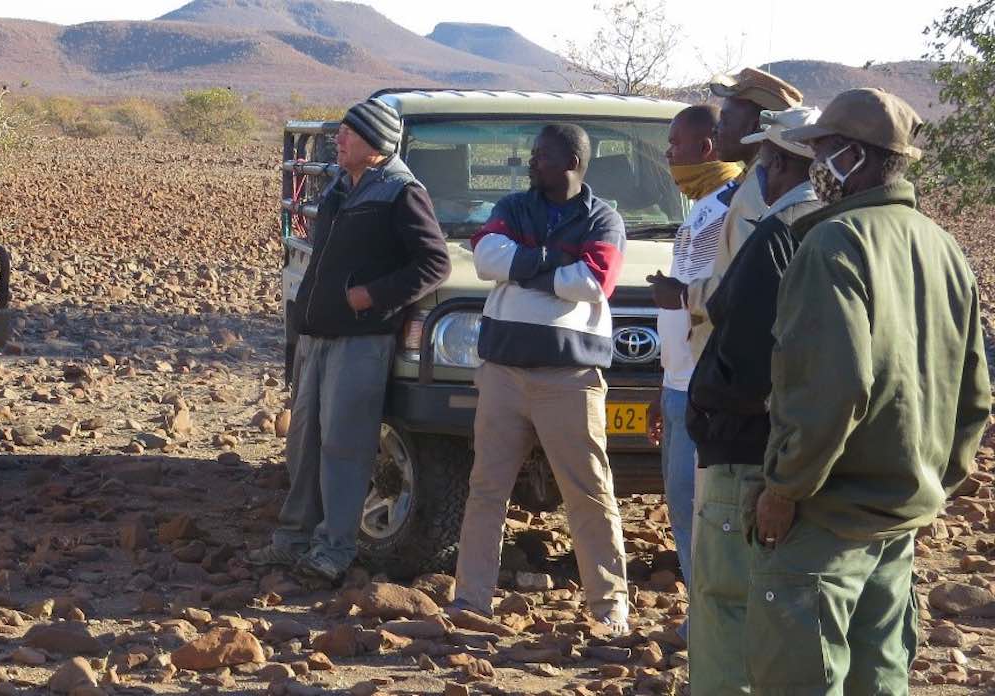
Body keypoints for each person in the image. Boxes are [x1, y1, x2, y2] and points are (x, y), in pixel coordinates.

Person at [748, 88, 990, 695]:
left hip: (826, 515)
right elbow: (975, 395)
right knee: (880, 680)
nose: (813, 165)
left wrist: (784, 488)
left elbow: (833, 388)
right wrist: (935, 483)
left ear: (852, 157)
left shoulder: (833, 243)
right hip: (899, 515)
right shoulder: (944, 248)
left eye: (822, 150)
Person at [245, 98, 450, 585]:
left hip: (360, 341)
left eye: (348, 135)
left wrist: (373, 296)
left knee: (344, 445)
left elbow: (433, 263)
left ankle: (334, 549)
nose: (338, 140)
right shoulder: (342, 185)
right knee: (303, 441)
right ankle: (293, 539)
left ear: (376, 146)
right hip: (318, 335)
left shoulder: (403, 193)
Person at [455, 124, 630, 630]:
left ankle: (609, 606)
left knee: (589, 491)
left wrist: (523, 265)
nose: (530, 162)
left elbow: (594, 281)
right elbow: (486, 257)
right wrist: (554, 263)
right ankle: (470, 600)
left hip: (570, 377)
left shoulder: (603, 218)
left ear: (572, 161)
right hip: (503, 372)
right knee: (487, 488)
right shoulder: (513, 206)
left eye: (541, 156)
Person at [683, 105, 824, 694]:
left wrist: (706, 414)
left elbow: (741, 349)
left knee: (726, 605)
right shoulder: (867, 232)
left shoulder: (787, 232)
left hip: (752, 447)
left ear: (780, 163)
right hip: (815, 452)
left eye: (767, 158)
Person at [642, 103, 741, 600]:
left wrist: (678, 295)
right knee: (682, 503)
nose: (669, 154)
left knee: (700, 506)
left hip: (705, 386)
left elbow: (717, 295)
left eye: (676, 144)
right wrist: (664, 387)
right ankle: (704, 611)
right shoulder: (705, 205)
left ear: (706, 147)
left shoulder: (728, 209)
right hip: (680, 384)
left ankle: (712, 616)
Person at [651, 68, 802, 367]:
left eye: (727, 120)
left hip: (729, 369)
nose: (717, 130)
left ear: (757, 125)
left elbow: (749, 285)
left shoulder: (759, 193)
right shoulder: (746, 186)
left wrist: (684, 296)